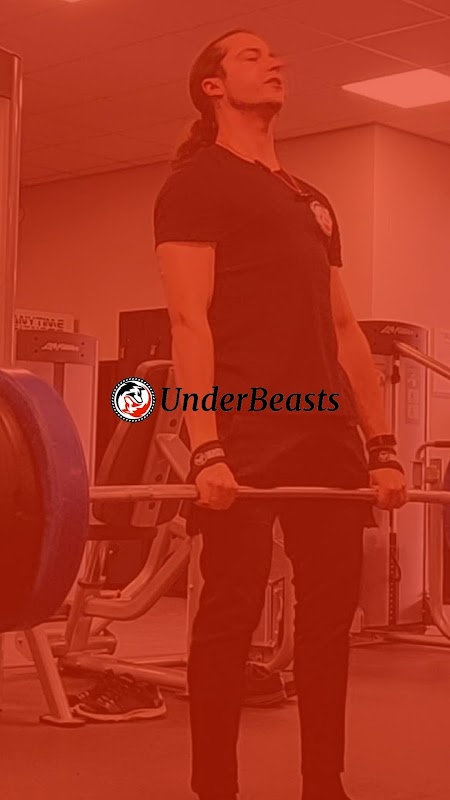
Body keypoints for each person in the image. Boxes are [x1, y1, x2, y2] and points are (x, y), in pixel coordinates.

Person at [154, 29, 407, 800]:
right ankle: (215, 788)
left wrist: (381, 443)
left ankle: (324, 784)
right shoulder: (196, 184)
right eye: (251, 55)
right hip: (246, 422)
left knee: (328, 624)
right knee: (229, 614)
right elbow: (189, 321)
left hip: (326, 431)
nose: (274, 63)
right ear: (212, 86)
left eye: (273, 55)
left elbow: (344, 329)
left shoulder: (311, 199)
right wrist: (206, 446)